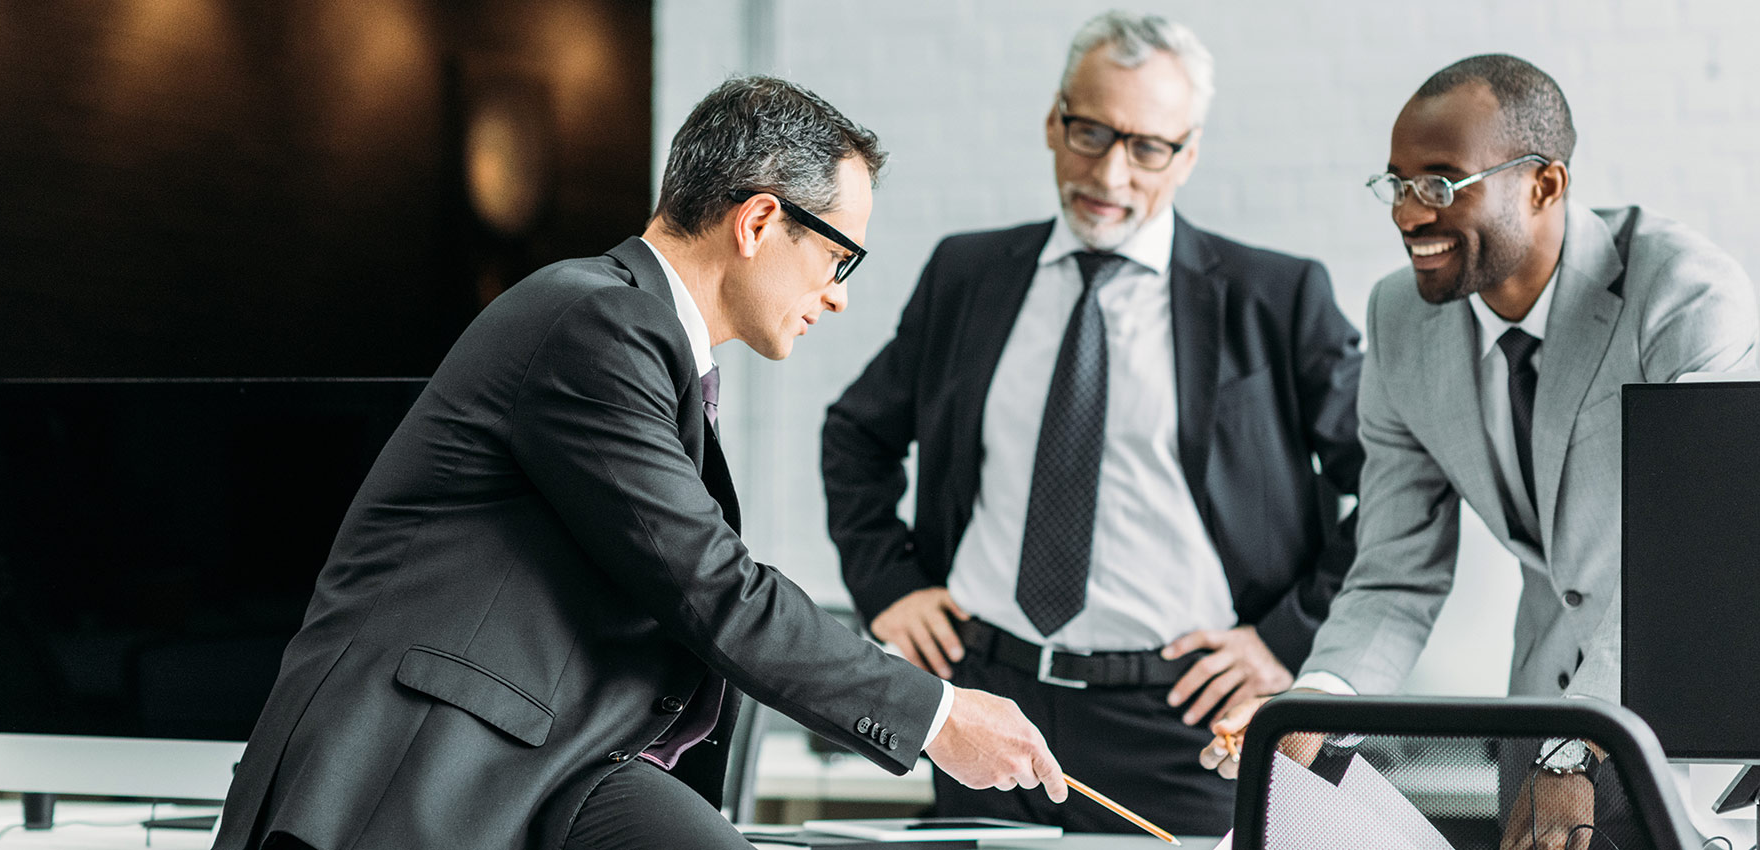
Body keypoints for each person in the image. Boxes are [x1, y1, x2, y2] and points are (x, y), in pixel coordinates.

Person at [209, 76, 1067, 850]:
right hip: (429, 761)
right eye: (840, 257)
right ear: (760, 221)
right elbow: (708, 583)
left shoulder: (640, 341)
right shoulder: (596, 323)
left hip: (565, 763)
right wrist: (936, 713)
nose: (838, 292)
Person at [822, 11, 1363, 835]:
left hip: (1183, 723)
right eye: (1089, 131)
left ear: (1187, 155)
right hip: (986, 703)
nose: (1109, 172)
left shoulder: (1274, 298)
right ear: (1053, 120)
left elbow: (1396, 490)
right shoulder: (967, 275)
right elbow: (856, 434)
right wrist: (886, 586)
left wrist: (1288, 638)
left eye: (1147, 146)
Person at [1203, 53, 1759, 850]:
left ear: (1543, 185)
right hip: (1533, 714)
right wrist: (1314, 708)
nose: (1405, 214)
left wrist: (1576, 755)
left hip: (1678, 722)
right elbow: (1395, 566)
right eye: (1395, 185)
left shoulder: (1682, 292)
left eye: (1438, 184)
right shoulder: (1399, 318)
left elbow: (1697, 560)